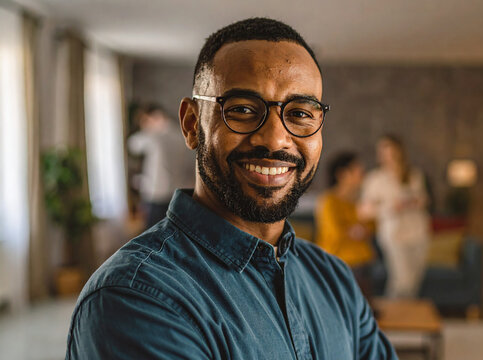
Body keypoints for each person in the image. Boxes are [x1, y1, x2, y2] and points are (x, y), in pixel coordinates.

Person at [66, 18, 396, 359]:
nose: (274, 139)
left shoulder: (333, 279)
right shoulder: (135, 297)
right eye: (241, 109)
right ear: (192, 124)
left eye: (299, 113)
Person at [359, 135, 431, 299]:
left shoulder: (414, 175)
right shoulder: (375, 179)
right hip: (393, 234)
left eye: (390, 149)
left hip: (419, 232)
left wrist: (416, 202)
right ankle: (391, 316)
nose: (387, 154)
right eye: (383, 150)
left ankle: (407, 320)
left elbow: (424, 199)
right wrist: (390, 208)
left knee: (414, 282)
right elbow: (364, 211)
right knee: (402, 281)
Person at [316, 152, 375, 297]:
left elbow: (372, 227)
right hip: (339, 262)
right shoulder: (329, 201)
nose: (362, 173)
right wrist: (356, 231)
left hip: (363, 261)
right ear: (342, 174)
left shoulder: (360, 201)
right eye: (357, 169)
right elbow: (335, 232)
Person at [127, 104, 195, 228]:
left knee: (154, 235)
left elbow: (132, 144)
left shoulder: (154, 137)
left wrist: (147, 129)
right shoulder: (182, 135)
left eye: (146, 121)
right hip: (179, 193)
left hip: (157, 196)